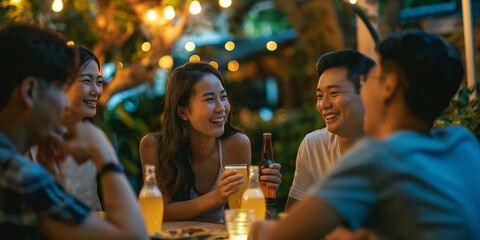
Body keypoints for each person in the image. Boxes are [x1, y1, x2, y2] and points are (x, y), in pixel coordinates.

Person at [249, 29, 480, 240]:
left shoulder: (377, 157)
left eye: (371, 79)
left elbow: (281, 236)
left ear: (389, 86)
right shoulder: (462, 142)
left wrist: (263, 228)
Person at [0, 23, 148, 239]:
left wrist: (55, 188)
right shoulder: (17, 175)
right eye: (61, 88)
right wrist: (106, 158)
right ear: (30, 91)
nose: (63, 102)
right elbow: (134, 237)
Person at [140, 62, 282, 224]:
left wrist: (262, 192)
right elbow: (158, 210)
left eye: (223, 97)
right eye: (209, 99)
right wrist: (214, 198)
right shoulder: (153, 147)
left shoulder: (236, 144)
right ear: (182, 111)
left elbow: (242, 207)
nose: (221, 108)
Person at [285, 50, 375, 211]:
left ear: (367, 93)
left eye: (334, 93)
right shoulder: (314, 146)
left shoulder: (392, 151)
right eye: (320, 96)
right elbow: (293, 220)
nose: (324, 104)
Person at [33, 46, 103, 211]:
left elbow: (94, 210)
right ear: (62, 85)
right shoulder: (34, 140)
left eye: (99, 82)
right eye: (87, 81)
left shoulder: (90, 143)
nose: (96, 91)